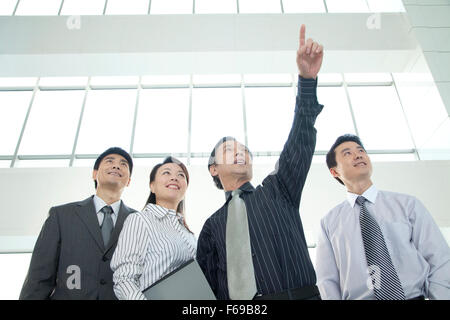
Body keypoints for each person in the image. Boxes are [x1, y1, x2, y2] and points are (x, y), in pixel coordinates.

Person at [196, 24, 324, 300]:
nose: (240, 151)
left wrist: (307, 81)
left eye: (244, 149)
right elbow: (207, 290)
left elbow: (299, 141)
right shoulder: (211, 227)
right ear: (213, 168)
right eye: (229, 149)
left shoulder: (279, 190)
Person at [316, 134, 450, 300]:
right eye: (347, 153)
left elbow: (439, 257)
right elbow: (326, 280)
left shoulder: (407, 205)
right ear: (334, 171)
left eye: (360, 150)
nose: (358, 155)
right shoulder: (329, 222)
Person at [20, 147, 136, 300]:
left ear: (128, 181)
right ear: (94, 174)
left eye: (123, 164)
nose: (116, 166)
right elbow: (39, 277)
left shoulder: (139, 221)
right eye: (109, 161)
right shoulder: (61, 215)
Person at [111, 157, 196, 300]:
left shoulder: (189, 234)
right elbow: (124, 279)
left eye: (181, 175)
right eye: (166, 173)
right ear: (152, 186)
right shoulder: (140, 220)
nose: (174, 178)